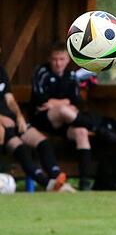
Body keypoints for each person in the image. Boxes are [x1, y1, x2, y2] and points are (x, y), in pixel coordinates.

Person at [30, 42, 114, 191]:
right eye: (55, 59)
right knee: (63, 110)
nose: (58, 63)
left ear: (68, 59)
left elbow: (75, 102)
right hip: (43, 120)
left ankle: (85, 182)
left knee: (81, 132)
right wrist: (63, 104)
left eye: (61, 59)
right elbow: (41, 101)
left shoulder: (70, 76)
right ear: (50, 59)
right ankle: (97, 128)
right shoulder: (41, 72)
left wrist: (55, 103)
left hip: (65, 122)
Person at [0, 61, 73, 192]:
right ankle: (47, 184)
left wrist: (19, 116)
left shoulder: (1, 71)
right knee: (21, 150)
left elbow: (10, 100)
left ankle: (57, 179)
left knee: (42, 141)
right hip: (2, 125)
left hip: (12, 120)